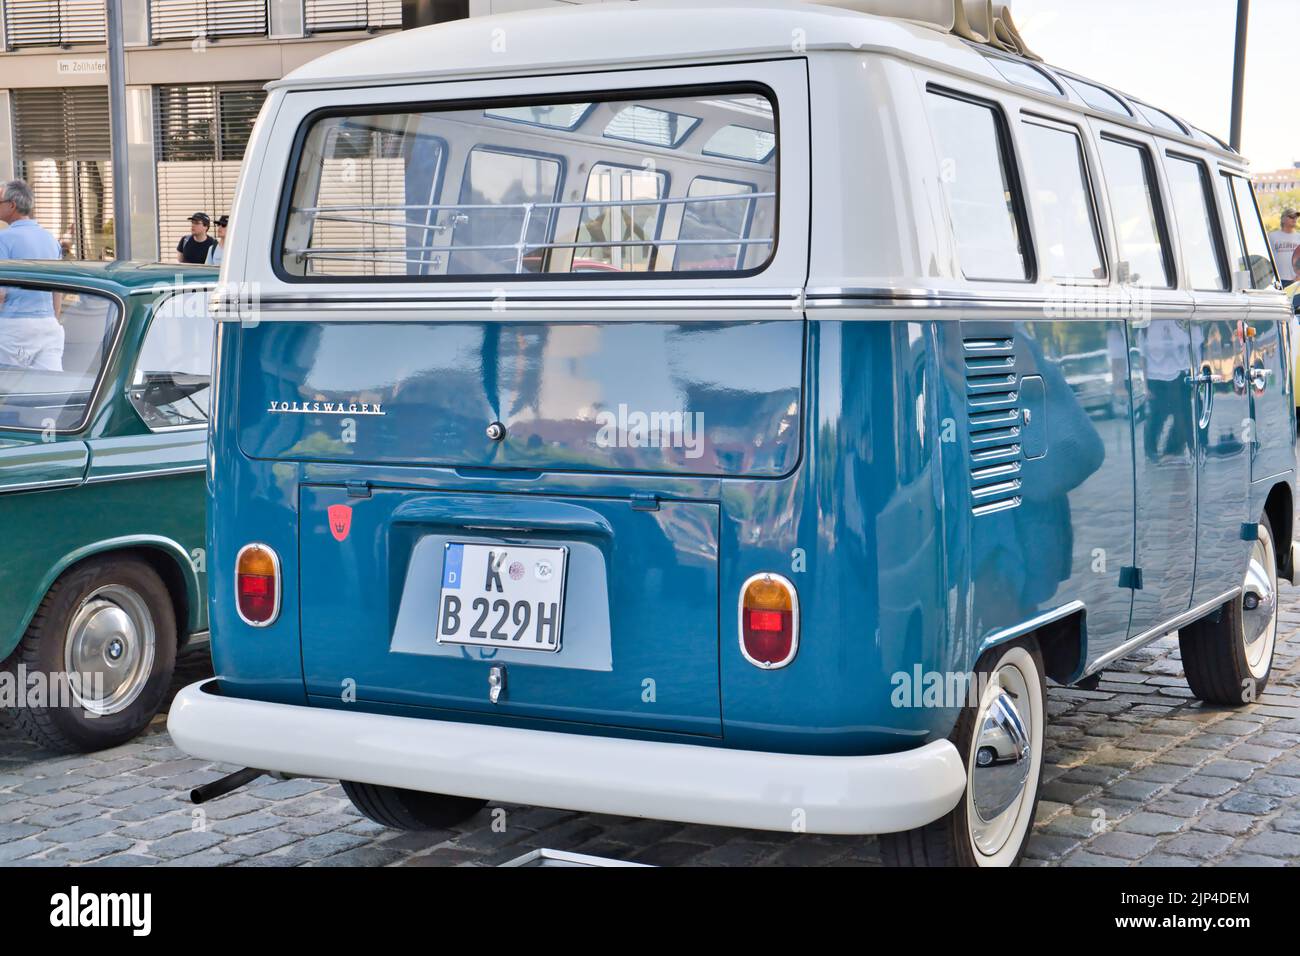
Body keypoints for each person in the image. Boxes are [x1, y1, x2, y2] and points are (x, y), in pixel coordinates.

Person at [0, 179, 65, 371]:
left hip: (15, 328)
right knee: (50, 391)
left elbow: (0, 294)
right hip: (49, 326)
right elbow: (58, 288)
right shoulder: (50, 239)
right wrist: (52, 318)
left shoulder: (3, 240)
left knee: (9, 391)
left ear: (12, 205)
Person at [1268, 208, 1300, 284]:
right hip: (1277, 280)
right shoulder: (1272, 236)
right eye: (1291, 216)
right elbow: (1267, 258)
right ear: (1283, 219)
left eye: (1296, 217)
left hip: (1296, 280)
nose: (1294, 219)